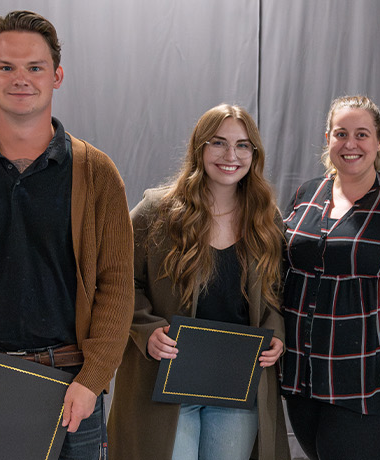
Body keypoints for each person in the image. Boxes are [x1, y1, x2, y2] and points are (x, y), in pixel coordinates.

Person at [0, 10, 133, 460]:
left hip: (75, 384)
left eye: (34, 67)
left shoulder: (97, 173)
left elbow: (116, 285)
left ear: (57, 75)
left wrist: (93, 380)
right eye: (6, 67)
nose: (21, 79)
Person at [108, 104, 292, 460]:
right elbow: (119, 280)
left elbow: (276, 292)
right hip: (168, 377)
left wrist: (277, 334)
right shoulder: (156, 212)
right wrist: (146, 330)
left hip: (236, 381)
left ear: (254, 154)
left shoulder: (266, 219)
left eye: (242, 145)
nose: (230, 155)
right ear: (199, 148)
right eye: (218, 143)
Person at [278, 95, 380, 460]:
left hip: (369, 378)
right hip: (304, 372)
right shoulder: (306, 194)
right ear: (328, 139)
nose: (350, 144)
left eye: (362, 134)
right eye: (341, 134)